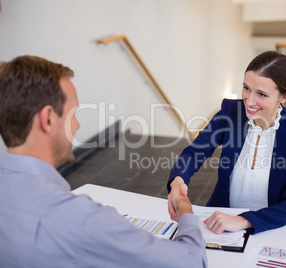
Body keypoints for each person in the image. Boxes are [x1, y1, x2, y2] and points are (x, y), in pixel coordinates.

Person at [0, 55, 206, 268]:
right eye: (74, 114)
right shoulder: (83, 220)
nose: (78, 125)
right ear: (49, 119)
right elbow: (190, 262)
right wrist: (185, 212)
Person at [167, 51, 286, 235]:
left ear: (283, 96)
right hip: (222, 227)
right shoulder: (231, 112)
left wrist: (243, 220)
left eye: (261, 94)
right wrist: (177, 181)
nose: (249, 100)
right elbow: (195, 152)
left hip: (273, 230)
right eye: (246, 88)